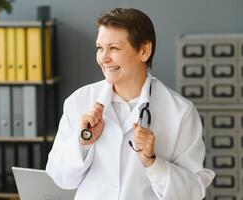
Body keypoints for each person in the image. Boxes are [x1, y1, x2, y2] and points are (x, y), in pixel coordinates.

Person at [46, 7, 215, 200]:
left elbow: (192, 193)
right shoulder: (79, 101)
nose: (104, 58)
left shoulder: (180, 112)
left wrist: (152, 162)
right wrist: (83, 143)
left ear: (144, 51)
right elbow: (60, 178)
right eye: (100, 48)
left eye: (114, 48)